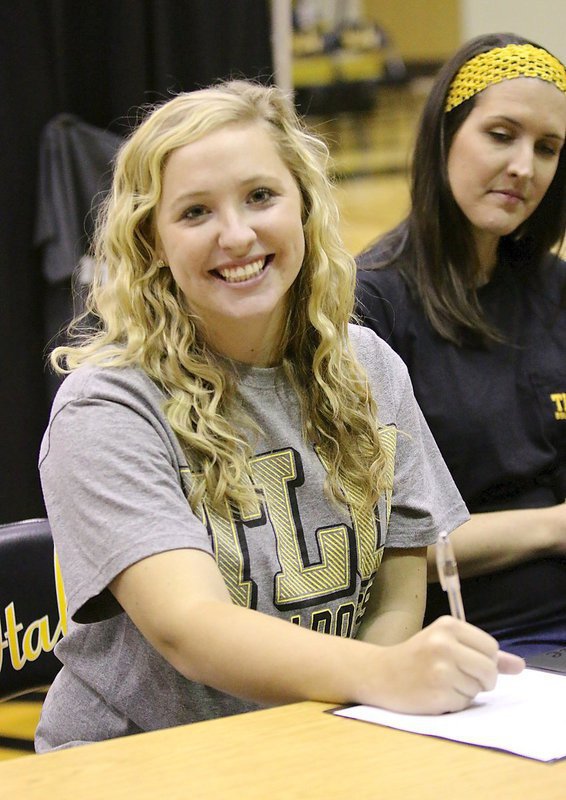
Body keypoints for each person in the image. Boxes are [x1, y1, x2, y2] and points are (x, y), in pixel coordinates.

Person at [36, 79, 523, 751]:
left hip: (315, 740)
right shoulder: (107, 405)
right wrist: (383, 675)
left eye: (261, 197)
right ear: (152, 242)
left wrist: (360, 717)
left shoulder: (371, 367)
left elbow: (400, 583)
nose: (237, 235)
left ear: (304, 207)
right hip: (140, 760)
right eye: (195, 212)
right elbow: (189, 626)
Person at [356, 33, 566, 657]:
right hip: (484, 645)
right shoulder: (371, 305)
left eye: (548, 148)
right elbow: (380, 550)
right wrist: (553, 529)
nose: (524, 167)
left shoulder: (554, 288)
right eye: (501, 135)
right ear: (445, 135)